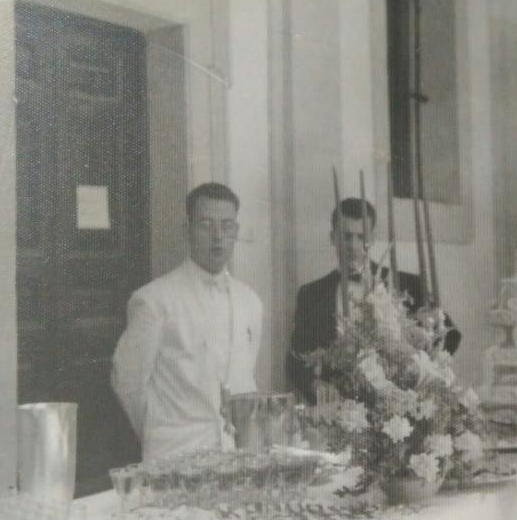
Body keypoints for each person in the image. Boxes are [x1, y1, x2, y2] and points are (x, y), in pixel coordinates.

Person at [112, 183, 263, 460]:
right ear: (188, 230)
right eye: (206, 224)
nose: (218, 236)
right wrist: (162, 431)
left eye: (226, 225)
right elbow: (128, 382)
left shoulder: (251, 301)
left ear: (236, 232)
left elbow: (245, 379)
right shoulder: (154, 300)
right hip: (176, 455)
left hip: (236, 457)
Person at [286, 198, 461, 404]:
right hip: (339, 409)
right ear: (333, 237)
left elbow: (450, 336)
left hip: (397, 409)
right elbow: (294, 360)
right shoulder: (312, 294)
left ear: (373, 238)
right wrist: (316, 386)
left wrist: (423, 372)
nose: (353, 245)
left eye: (361, 237)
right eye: (346, 236)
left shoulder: (407, 284)